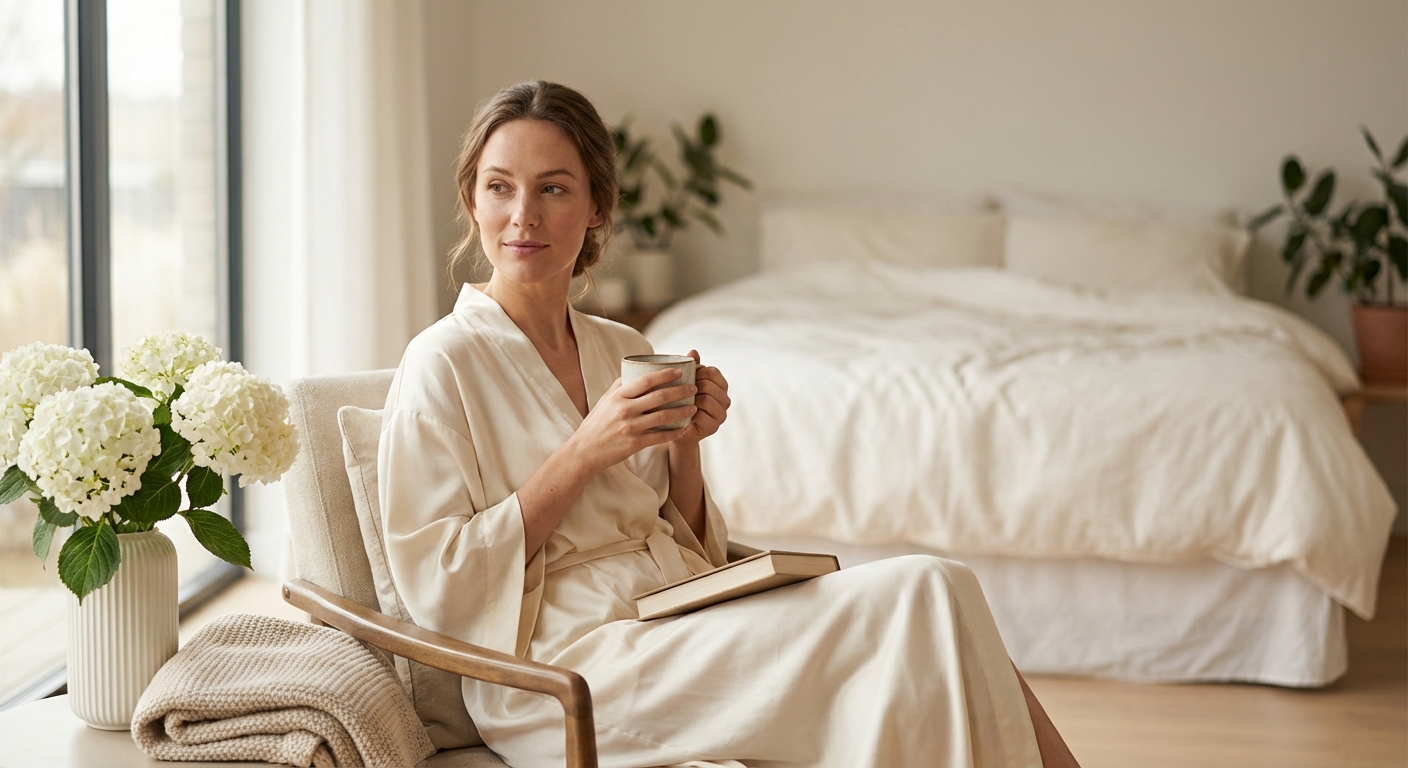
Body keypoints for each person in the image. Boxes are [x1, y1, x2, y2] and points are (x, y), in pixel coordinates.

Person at [379, 80, 1079, 768]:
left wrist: (687, 449)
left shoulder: (618, 347)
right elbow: (439, 586)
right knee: (925, 595)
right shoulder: (441, 363)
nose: (523, 214)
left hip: (677, 619)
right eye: (500, 187)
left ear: (596, 206)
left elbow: (683, 539)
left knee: (942, 591)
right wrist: (584, 451)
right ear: (472, 200)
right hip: (567, 668)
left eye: (554, 188)